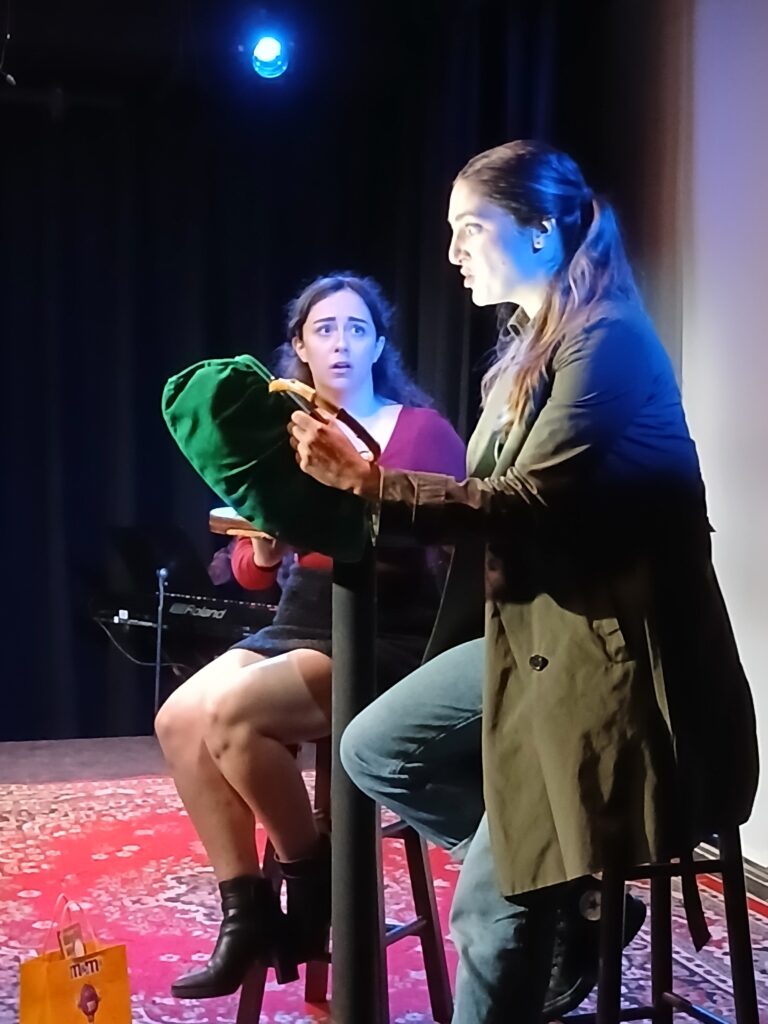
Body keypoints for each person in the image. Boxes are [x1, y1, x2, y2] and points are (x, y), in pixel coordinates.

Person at [288, 142, 759, 1024]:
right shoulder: (529, 345)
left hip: (617, 665)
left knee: (485, 908)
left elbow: (526, 502)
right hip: (534, 638)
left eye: (473, 228)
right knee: (372, 745)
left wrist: (369, 483)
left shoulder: (609, 340)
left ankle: (530, 894)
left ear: (543, 231)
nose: (455, 252)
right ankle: (580, 898)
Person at [155, 272, 466, 998]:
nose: (341, 343)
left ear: (380, 344)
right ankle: (248, 912)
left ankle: (313, 878)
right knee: (176, 721)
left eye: (357, 329)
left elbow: (441, 544)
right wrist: (264, 548)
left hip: (387, 625)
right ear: (300, 346)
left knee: (234, 719)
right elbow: (252, 572)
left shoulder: (420, 429)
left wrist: (349, 505)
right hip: (302, 618)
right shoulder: (287, 429)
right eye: (324, 329)